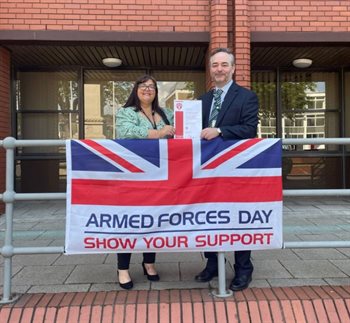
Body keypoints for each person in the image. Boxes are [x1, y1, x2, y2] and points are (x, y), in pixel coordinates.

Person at [195, 48, 259, 292]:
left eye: (224, 65)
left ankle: (244, 268)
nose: (219, 69)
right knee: (208, 217)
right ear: (210, 69)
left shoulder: (246, 97)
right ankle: (213, 263)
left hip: (235, 171)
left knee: (237, 218)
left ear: (233, 69)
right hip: (207, 171)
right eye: (215, 65)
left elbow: (249, 129)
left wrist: (220, 131)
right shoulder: (203, 100)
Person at [115, 75, 175, 289]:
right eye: (143, 86)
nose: (148, 89)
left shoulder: (166, 113)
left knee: (153, 220)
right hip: (133, 176)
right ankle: (123, 268)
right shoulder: (126, 112)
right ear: (136, 89)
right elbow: (126, 133)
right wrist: (158, 133)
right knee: (129, 221)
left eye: (152, 86)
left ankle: (149, 263)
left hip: (159, 175)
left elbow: (181, 133)